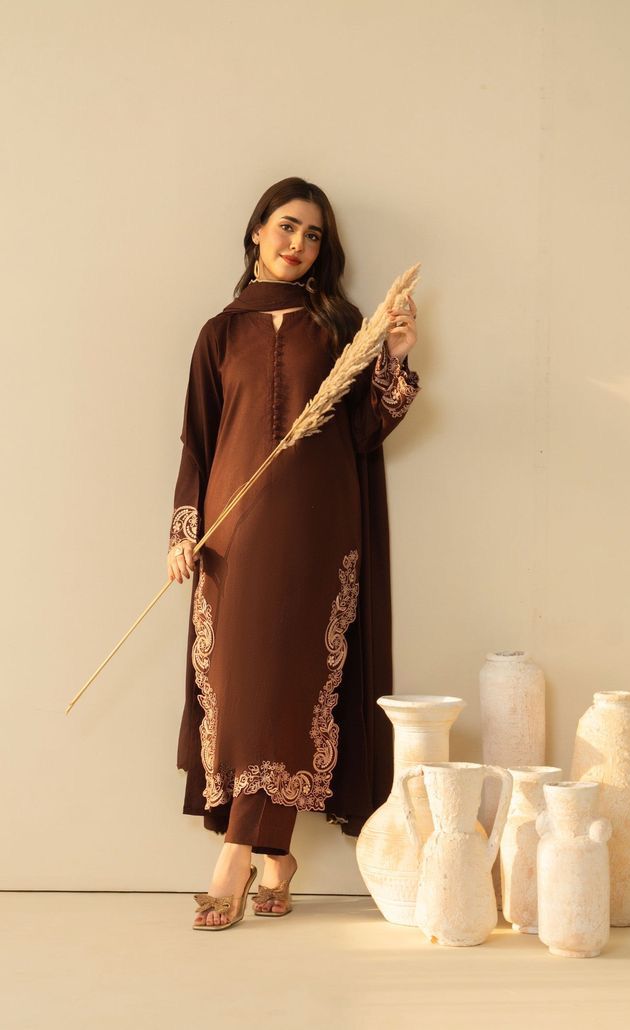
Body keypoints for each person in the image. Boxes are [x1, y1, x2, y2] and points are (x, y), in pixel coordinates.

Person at [166, 176, 420, 930]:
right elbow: (197, 440)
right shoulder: (218, 333)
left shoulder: (338, 326)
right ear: (256, 230)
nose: (298, 244)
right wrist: (184, 530)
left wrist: (393, 356)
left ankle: (234, 861)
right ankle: (276, 857)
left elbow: (364, 429)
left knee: (291, 687)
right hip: (232, 533)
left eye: (313, 235)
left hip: (316, 529)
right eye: (286, 226)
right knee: (240, 687)